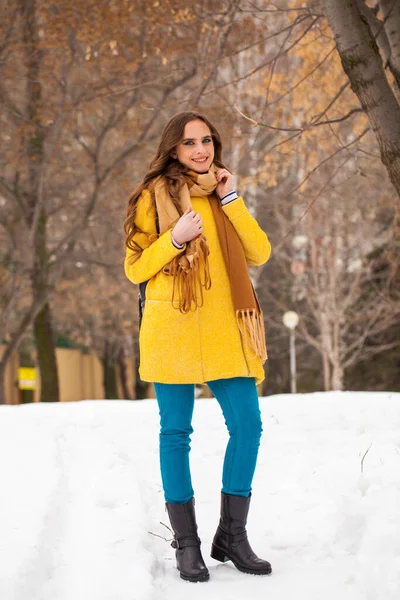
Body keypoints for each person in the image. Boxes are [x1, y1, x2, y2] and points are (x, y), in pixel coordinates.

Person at [124, 111, 272, 582]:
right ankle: (186, 543)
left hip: (227, 326)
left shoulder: (223, 193)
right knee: (175, 434)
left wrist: (230, 198)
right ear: (174, 149)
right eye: (189, 143)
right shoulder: (153, 197)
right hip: (174, 325)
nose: (200, 149)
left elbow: (259, 252)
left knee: (248, 425)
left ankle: (232, 535)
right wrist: (174, 238)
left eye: (206, 140)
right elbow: (134, 267)